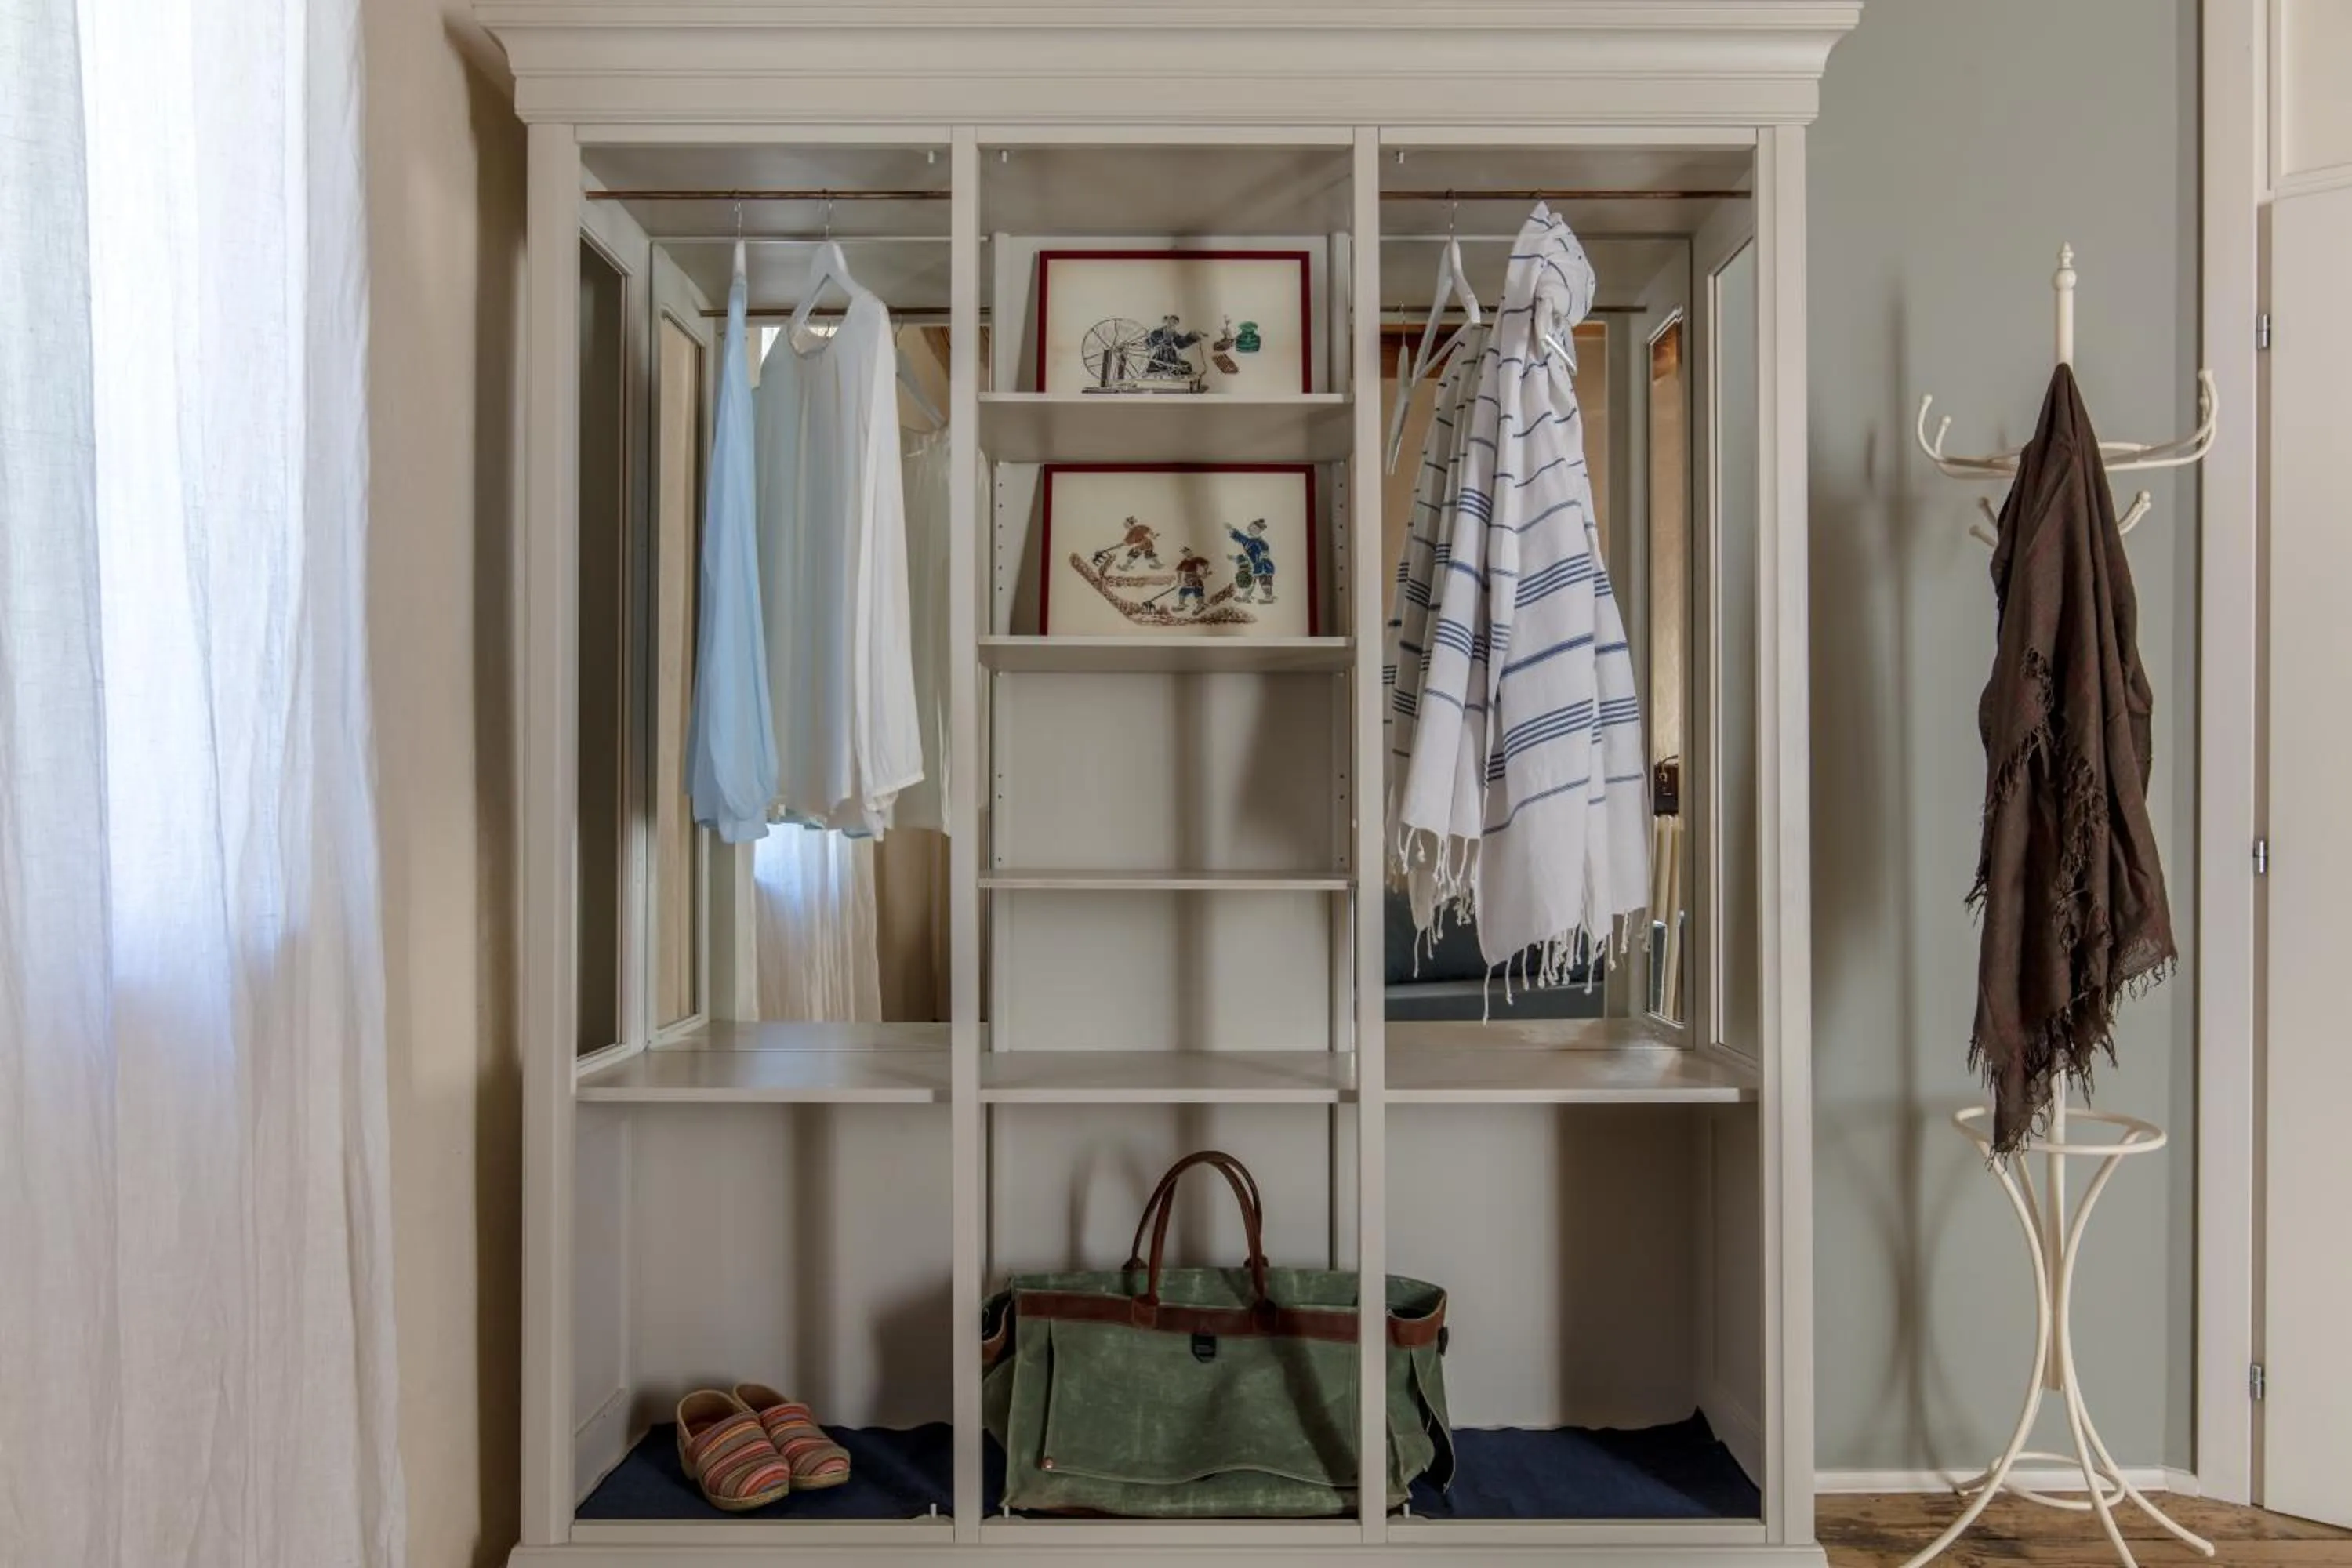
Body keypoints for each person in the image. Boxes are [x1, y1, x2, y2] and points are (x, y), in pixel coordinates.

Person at [1142, 314, 1207, 383]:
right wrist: (1159, 342)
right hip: (1159, 358)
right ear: (1167, 322)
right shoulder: (1157, 332)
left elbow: (1180, 344)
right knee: (1153, 370)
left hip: (1172, 358)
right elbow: (1150, 342)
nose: (1172, 324)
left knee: (1187, 367)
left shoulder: (1174, 334)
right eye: (1170, 322)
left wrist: (1193, 336)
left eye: (1174, 323)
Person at [1228, 517, 1276, 603]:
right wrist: (1231, 529)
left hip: (1263, 565)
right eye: (1251, 527)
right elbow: (1241, 538)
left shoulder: (1261, 542)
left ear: (1259, 531)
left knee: (1264, 580)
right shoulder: (1249, 541)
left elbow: (1265, 552)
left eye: (1254, 528)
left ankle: (1268, 597)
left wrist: (1262, 560)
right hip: (1255, 565)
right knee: (1252, 581)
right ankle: (1246, 597)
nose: (1251, 529)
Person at [1092, 515, 1162, 573]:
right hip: (1148, 543)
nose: (1125, 526)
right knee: (1149, 554)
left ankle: (1126, 567)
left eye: (1126, 524)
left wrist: (1153, 535)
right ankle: (1158, 565)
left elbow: (1147, 529)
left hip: (1143, 544)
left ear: (1131, 524)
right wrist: (1153, 536)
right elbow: (1126, 542)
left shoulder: (1136, 529)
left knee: (1133, 554)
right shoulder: (1132, 531)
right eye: (1125, 524)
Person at [1173, 546, 1212, 613]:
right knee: (1182, 592)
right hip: (1187, 581)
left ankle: (1200, 605)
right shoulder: (1184, 561)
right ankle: (1181, 605)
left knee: (1198, 592)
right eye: (1184, 553)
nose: (1186, 554)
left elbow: (1206, 564)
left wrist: (1205, 572)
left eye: (1187, 552)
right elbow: (1179, 570)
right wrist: (1179, 581)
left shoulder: (1197, 559)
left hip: (1196, 579)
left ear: (1190, 552)